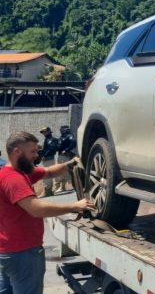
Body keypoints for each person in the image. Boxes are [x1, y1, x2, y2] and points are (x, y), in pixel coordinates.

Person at [0, 131, 94, 294]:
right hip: (23, 253)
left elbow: (50, 172)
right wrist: (74, 206)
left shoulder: (19, 172)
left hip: (7, 252)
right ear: (17, 152)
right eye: (32, 152)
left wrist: (70, 164)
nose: (36, 155)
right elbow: (36, 209)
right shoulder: (13, 179)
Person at [38, 127, 63, 196]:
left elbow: (51, 149)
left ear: (49, 132)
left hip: (49, 159)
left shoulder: (52, 140)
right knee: (47, 175)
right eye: (43, 132)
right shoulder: (46, 140)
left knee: (47, 175)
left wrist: (44, 155)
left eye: (45, 131)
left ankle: (48, 191)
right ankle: (48, 191)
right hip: (46, 159)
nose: (44, 133)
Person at [56, 126, 76, 192]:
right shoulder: (61, 137)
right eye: (60, 129)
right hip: (60, 156)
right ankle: (63, 187)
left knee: (67, 169)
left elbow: (73, 142)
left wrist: (66, 150)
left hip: (66, 155)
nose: (61, 130)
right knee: (62, 171)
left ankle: (70, 185)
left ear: (66, 129)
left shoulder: (69, 136)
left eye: (62, 129)